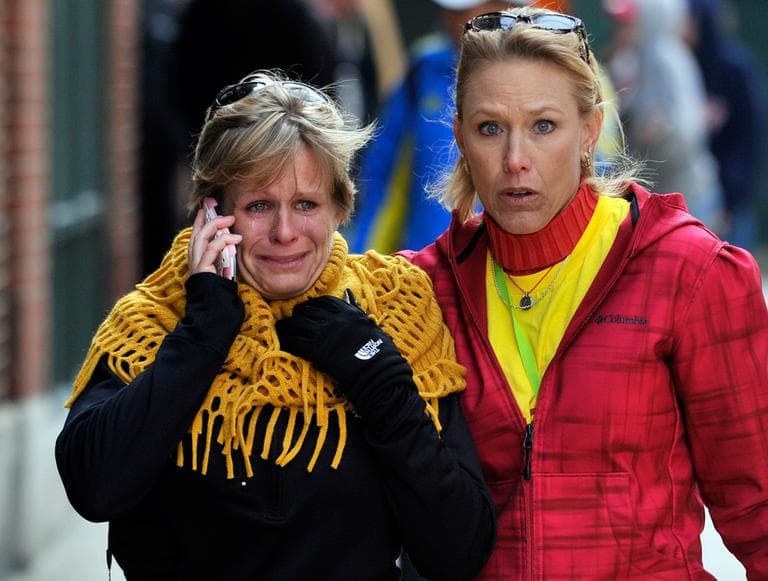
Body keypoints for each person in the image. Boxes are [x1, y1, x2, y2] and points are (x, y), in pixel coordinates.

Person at [55, 70, 496, 580]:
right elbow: (95, 488)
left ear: (339, 208)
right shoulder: (156, 318)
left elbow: (459, 549)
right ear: (214, 213)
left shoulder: (395, 311)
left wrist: (379, 377)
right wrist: (203, 333)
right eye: (259, 205)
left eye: (305, 204)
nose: (285, 233)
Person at [400, 6, 768, 578]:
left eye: (544, 126)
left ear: (589, 130)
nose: (515, 160)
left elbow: (760, 508)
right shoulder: (420, 291)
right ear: (460, 138)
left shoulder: (689, 273)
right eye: (490, 128)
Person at [349, 0, 516, 254]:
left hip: (507, 269)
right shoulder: (422, 69)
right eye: (451, 9)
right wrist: (361, 258)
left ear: (507, 7)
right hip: (421, 271)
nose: (456, 18)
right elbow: (380, 177)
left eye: (471, 8)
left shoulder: (546, 70)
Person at [602, 0, 725, 232]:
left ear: (650, 21)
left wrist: (659, 131)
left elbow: (690, 132)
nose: (621, 30)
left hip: (687, 194)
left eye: (628, 23)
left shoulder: (667, 60)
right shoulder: (631, 59)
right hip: (659, 195)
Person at [685, 0, 767, 251]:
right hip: (697, 191)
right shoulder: (685, 65)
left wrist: (732, 201)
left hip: (730, 197)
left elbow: (749, 139)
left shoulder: (735, 69)